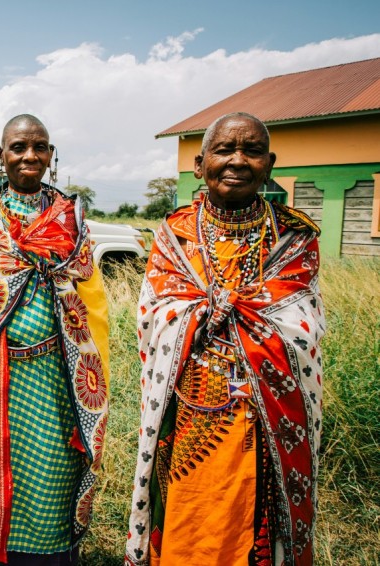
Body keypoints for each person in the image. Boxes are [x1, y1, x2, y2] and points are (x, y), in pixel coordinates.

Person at [125, 112, 325, 565]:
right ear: (199, 164)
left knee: (254, 522)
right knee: (185, 514)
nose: (237, 160)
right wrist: (209, 310)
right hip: (189, 415)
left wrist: (223, 308)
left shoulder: (294, 237)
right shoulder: (174, 234)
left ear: (269, 163)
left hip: (265, 416)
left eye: (252, 150)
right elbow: (153, 317)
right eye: (224, 150)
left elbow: (302, 323)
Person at [0, 114, 110, 565]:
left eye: (40, 147)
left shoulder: (71, 220)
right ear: (1, 156)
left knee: (49, 478)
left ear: (51, 156)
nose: (29, 156)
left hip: (54, 379)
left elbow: (92, 304)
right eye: (19, 147)